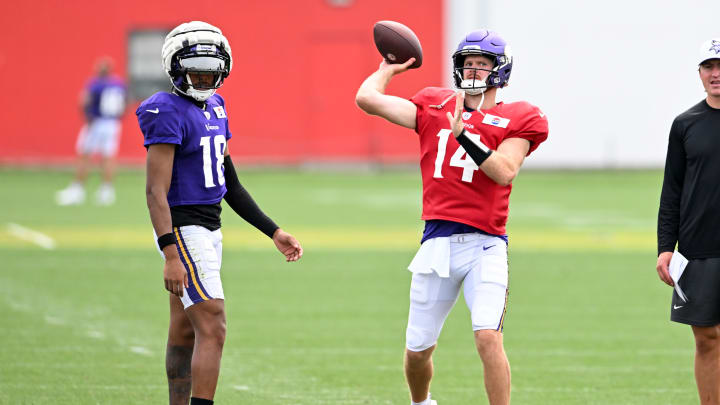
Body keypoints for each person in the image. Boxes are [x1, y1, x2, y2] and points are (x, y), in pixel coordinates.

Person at [356, 29, 548, 405]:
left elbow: (505, 170)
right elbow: (366, 98)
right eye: (467, 63)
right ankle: (421, 402)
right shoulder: (435, 104)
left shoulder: (519, 117)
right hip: (438, 244)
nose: (473, 70)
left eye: (482, 64)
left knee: (488, 336)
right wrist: (387, 68)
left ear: (500, 70)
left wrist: (465, 135)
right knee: (417, 350)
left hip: (486, 244)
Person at [136, 21, 303, 405]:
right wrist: (170, 252)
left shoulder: (217, 106)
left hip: (211, 228)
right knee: (214, 325)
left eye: (212, 70)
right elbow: (154, 191)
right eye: (196, 70)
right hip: (183, 228)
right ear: (175, 67)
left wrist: (273, 231)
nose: (205, 78)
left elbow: (231, 184)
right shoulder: (166, 110)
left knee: (183, 329)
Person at [656, 38, 720, 405]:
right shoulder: (685, 124)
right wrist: (666, 248)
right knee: (706, 338)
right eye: (709, 67)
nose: (716, 74)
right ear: (699, 73)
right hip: (698, 249)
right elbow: (672, 191)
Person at [56, 57, 126, 206]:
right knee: (108, 157)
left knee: (85, 155)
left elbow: (85, 101)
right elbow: (125, 102)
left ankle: (77, 190)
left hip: (96, 122)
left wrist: (88, 118)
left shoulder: (95, 83)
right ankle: (106, 192)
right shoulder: (118, 83)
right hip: (113, 123)